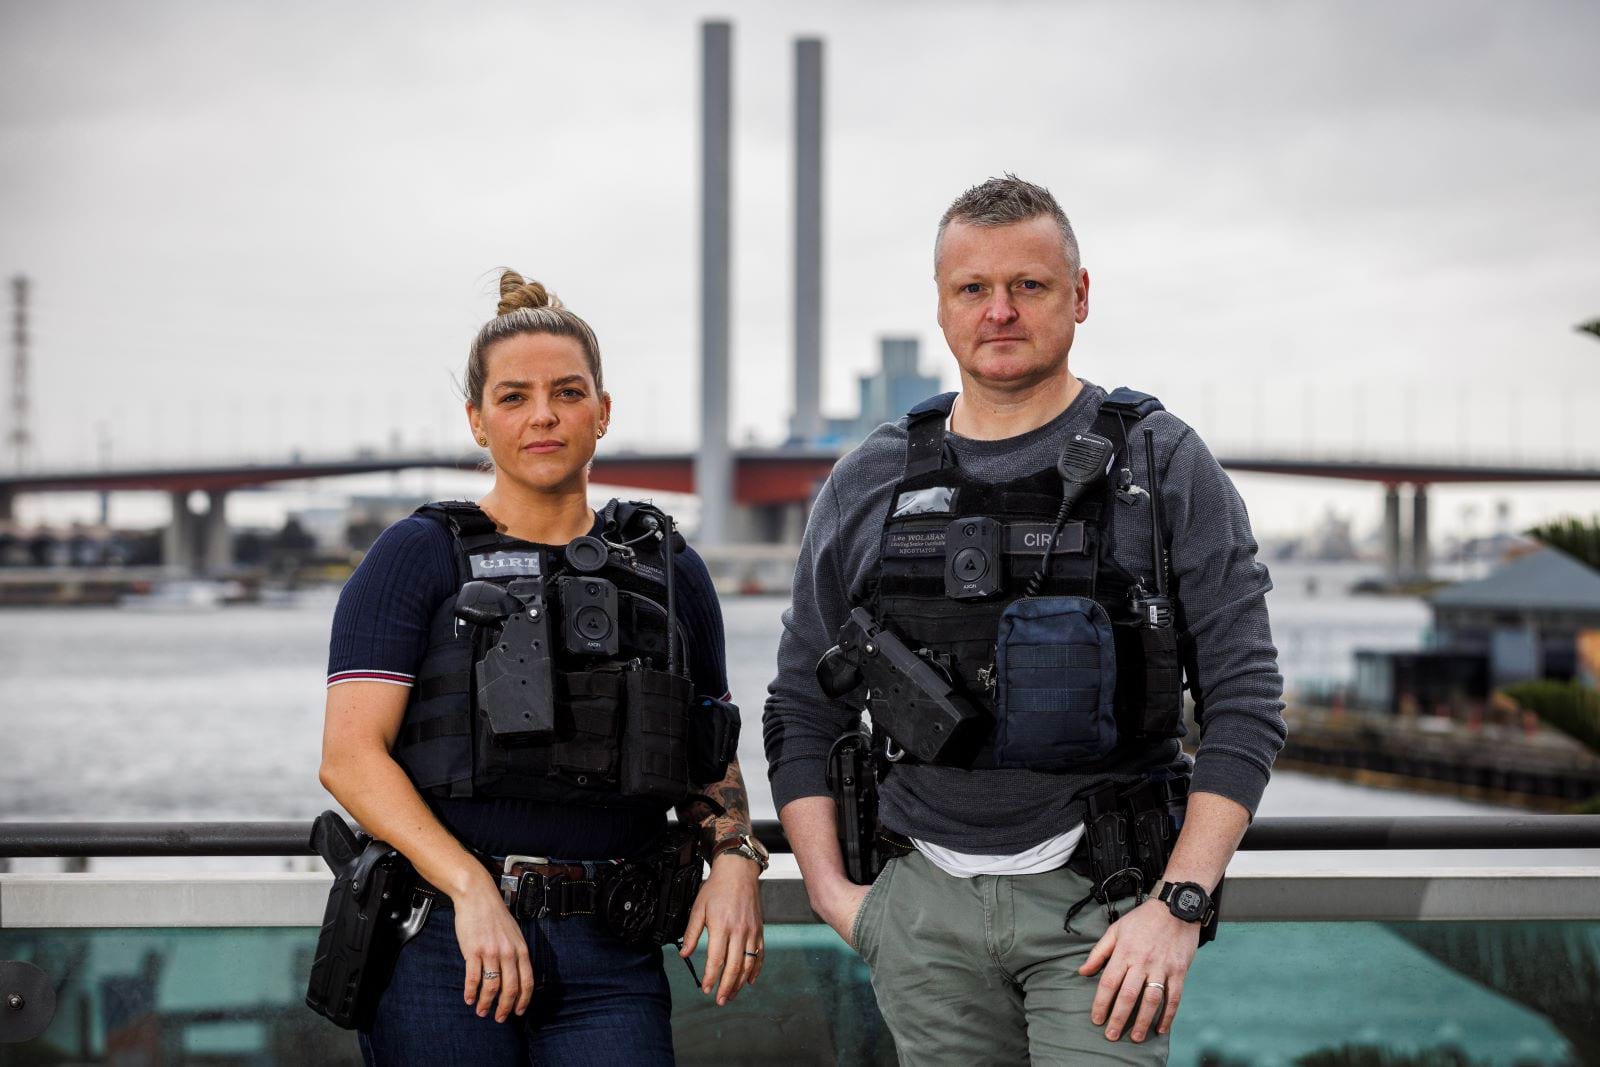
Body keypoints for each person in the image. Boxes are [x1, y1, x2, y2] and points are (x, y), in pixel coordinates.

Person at [764, 176, 1286, 1063]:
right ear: (941, 306)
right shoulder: (871, 479)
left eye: (1029, 286)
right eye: (974, 289)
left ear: (1079, 296)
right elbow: (800, 703)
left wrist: (1181, 904)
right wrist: (833, 895)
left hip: (1109, 914)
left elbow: (1246, 699)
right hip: (920, 910)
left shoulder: (1161, 462)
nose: (999, 311)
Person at [320, 271, 766, 1066]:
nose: (544, 416)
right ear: (476, 421)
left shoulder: (668, 568)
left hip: (614, 948)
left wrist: (734, 857)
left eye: (567, 392)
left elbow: (710, 745)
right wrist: (469, 887)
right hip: (445, 943)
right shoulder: (416, 556)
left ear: (603, 411)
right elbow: (349, 758)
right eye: (513, 397)